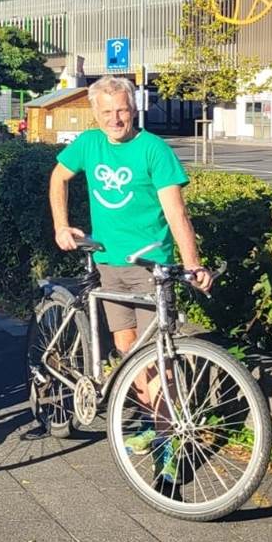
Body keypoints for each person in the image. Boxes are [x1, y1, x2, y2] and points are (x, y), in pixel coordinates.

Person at [49, 74, 212, 481]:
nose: (115, 118)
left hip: (149, 268)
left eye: (122, 109)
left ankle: (168, 440)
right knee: (126, 349)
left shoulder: (153, 150)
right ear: (95, 113)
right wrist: (61, 225)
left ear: (134, 108)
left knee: (160, 359)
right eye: (106, 112)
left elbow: (176, 213)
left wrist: (192, 263)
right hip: (107, 262)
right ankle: (147, 422)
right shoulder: (89, 143)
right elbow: (58, 178)